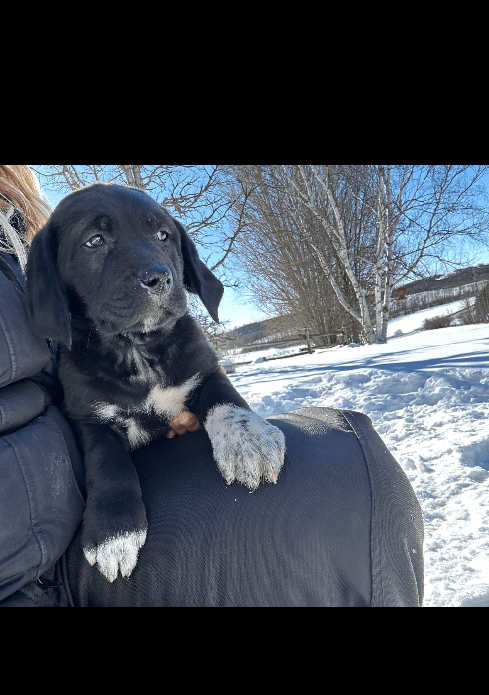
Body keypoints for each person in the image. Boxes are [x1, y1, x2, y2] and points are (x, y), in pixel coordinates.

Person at [0, 165, 424, 608]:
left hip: (103, 500)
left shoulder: (184, 342)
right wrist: (113, 501)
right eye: (96, 241)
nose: (153, 267)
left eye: (163, 237)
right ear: (54, 277)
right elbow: (92, 424)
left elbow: (207, 381)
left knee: (356, 463)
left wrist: (229, 417)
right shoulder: (78, 360)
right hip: (38, 560)